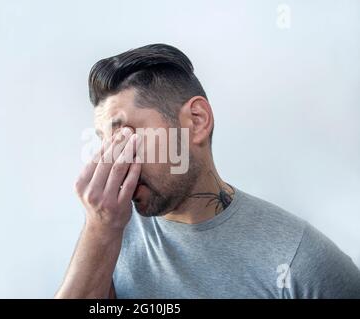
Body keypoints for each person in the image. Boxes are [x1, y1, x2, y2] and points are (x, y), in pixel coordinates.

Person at [55, 44, 360, 298]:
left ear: (197, 121)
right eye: (105, 143)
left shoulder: (301, 261)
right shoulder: (112, 230)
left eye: (124, 136)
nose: (114, 160)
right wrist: (101, 230)